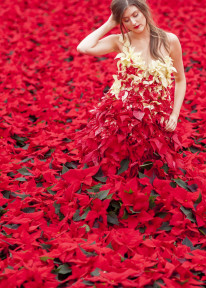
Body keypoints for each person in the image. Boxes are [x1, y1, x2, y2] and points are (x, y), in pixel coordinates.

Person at [75, 0, 186, 178]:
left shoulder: (169, 40)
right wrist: (111, 22)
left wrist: (174, 115)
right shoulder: (120, 41)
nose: (134, 22)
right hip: (122, 119)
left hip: (155, 120)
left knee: (154, 172)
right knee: (120, 173)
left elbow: (180, 79)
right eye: (126, 20)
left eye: (135, 15)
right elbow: (83, 48)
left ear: (144, 10)